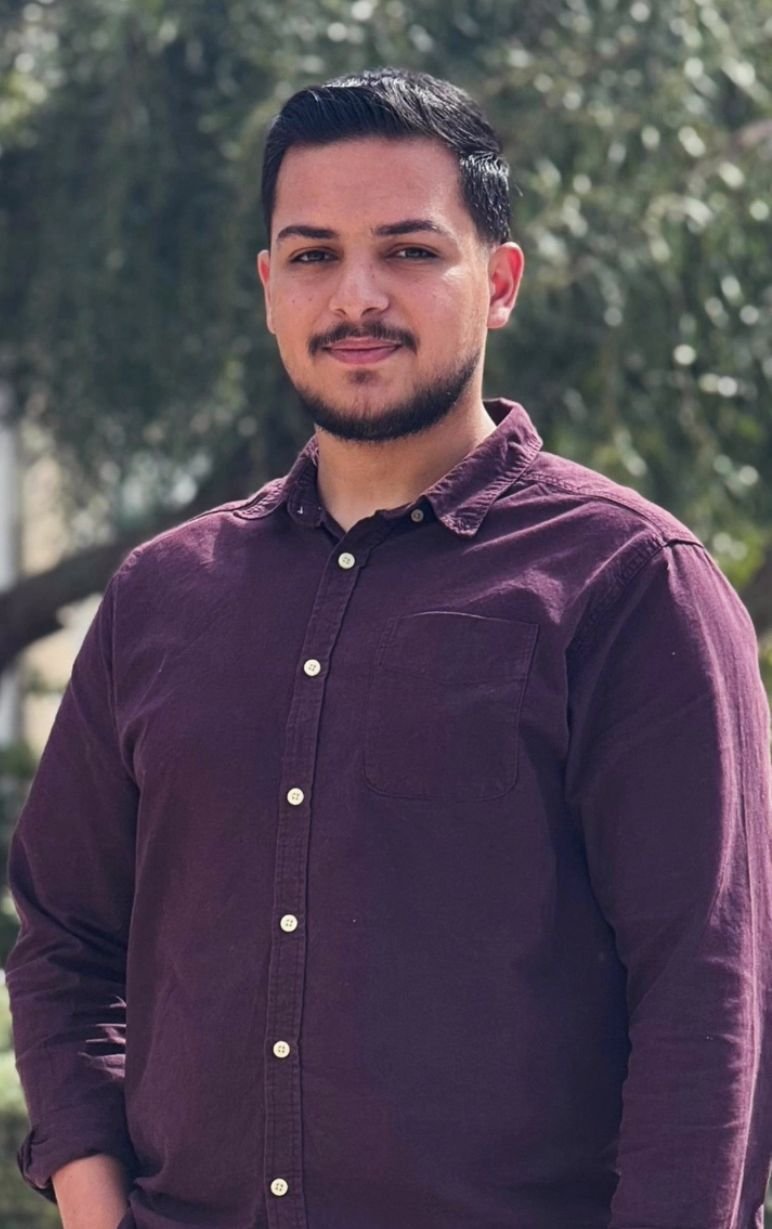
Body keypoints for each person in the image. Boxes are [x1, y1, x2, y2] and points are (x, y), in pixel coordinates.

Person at [5, 66, 771, 1229]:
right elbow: (65, 934)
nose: (355, 296)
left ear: (498, 282)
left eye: (409, 251)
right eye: (313, 254)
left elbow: (709, 998)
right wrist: (94, 1198)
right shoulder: (163, 595)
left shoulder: (628, 583)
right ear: (269, 288)